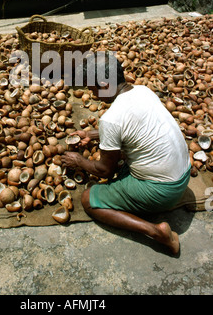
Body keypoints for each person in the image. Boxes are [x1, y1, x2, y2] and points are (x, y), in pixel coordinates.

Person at [61, 52, 191, 255]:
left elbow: (104, 170)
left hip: (164, 191)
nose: (92, 93)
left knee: (88, 199)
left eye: (91, 87)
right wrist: (91, 134)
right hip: (183, 174)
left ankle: (157, 232)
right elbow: (132, 125)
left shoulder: (111, 118)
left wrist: (79, 160)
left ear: (104, 84)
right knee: (122, 155)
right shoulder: (142, 90)